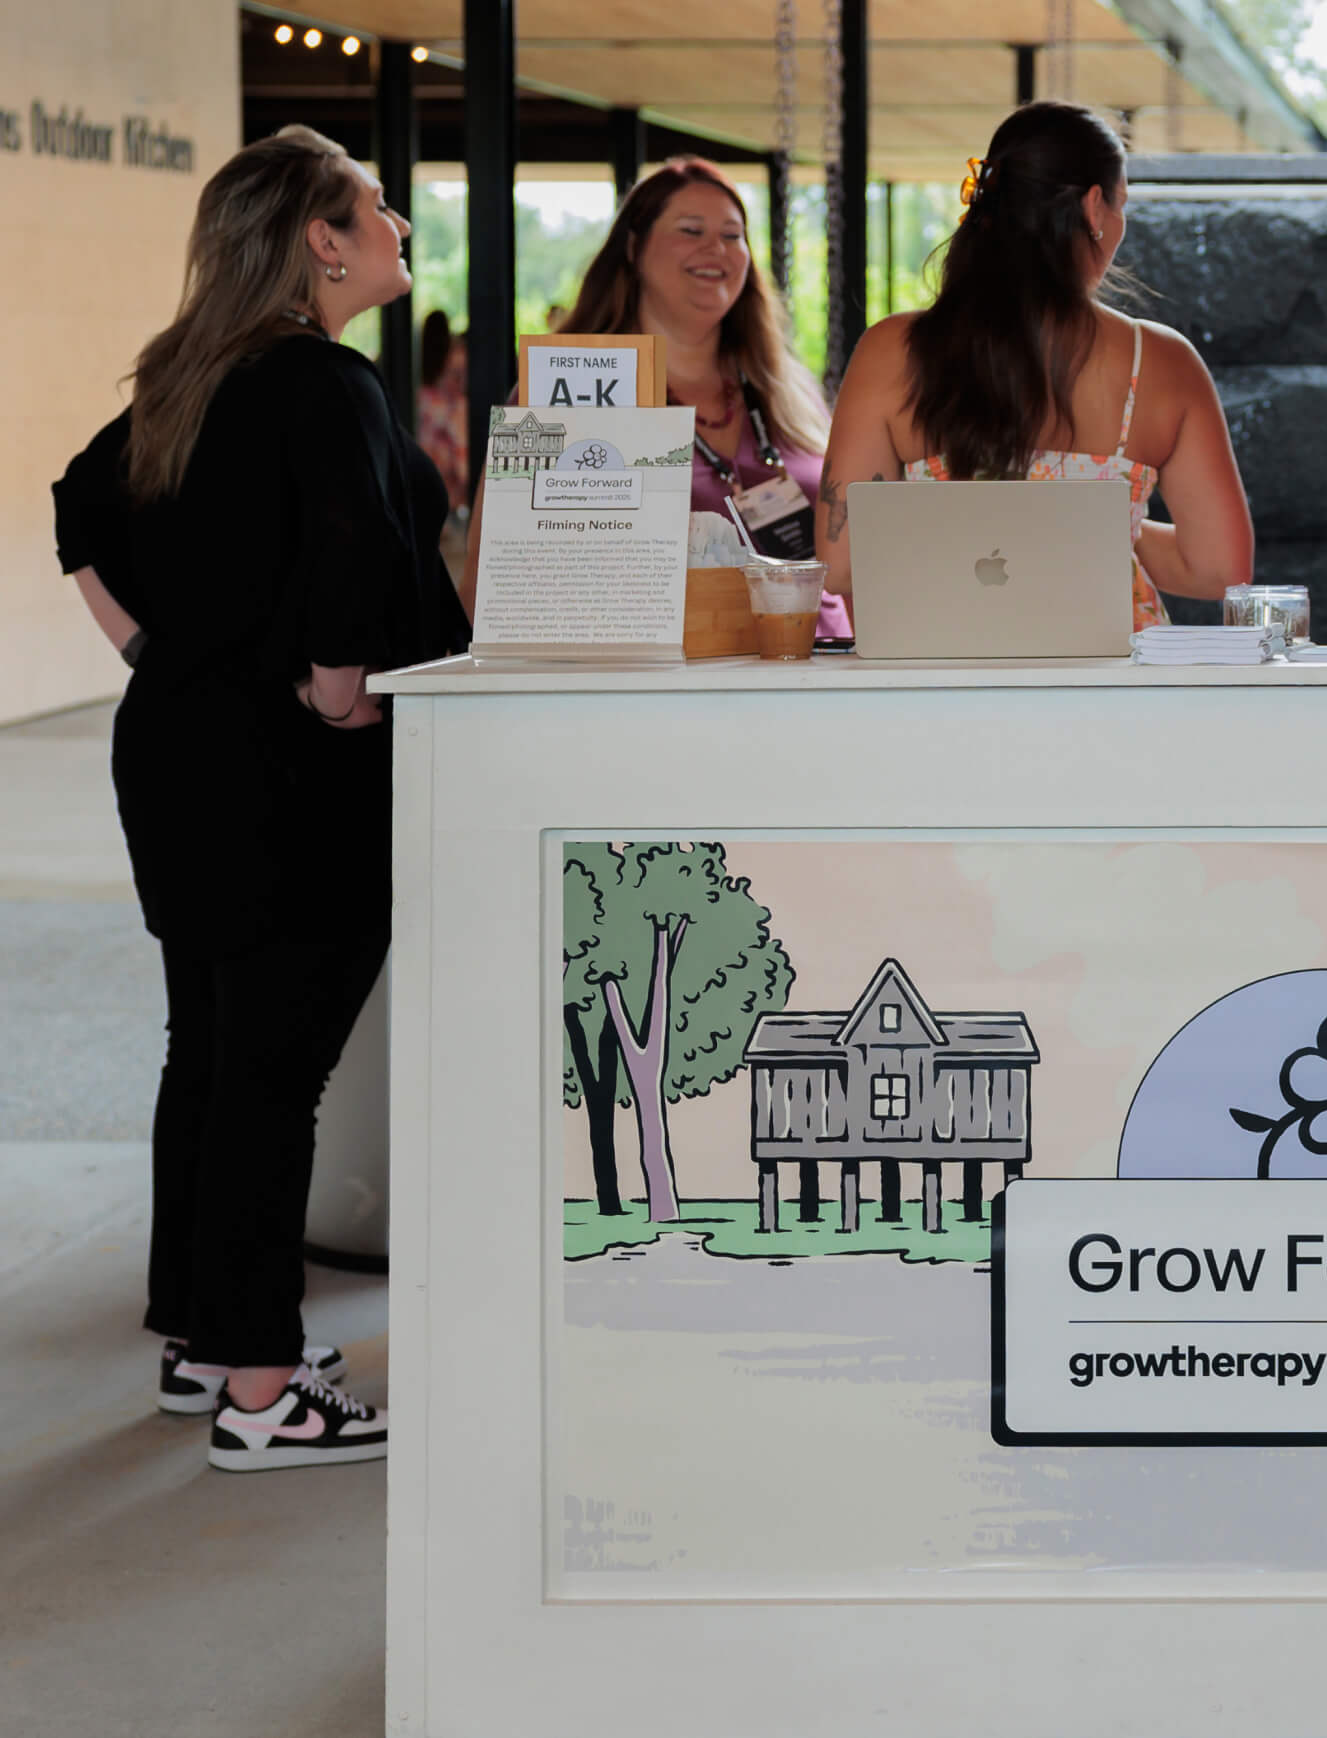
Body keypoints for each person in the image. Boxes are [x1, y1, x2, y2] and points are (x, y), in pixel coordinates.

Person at [49, 126, 466, 1471]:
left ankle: (214, 1342)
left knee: (223, 1058)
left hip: (177, 755)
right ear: (320, 240)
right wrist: (341, 680)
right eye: (375, 207)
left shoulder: (190, 377)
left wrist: (156, 655)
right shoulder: (323, 383)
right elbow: (349, 542)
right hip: (292, 773)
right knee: (271, 1077)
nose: (398, 223)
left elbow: (77, 512)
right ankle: (265, 1392)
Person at [819, 101, 1252, 623]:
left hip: (938, 676)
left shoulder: (892, 350)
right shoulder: (1161, 361)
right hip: (1109, 686)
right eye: (1121, 205)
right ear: (1094, 208)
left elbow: (840, 566)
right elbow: (1219, 569)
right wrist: (1095, 525)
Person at [532, 158, 844, 632]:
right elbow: (504, 569)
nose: (715, 248)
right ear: (634, 247)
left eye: (733, 235)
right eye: (691, 230)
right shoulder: (573, 390)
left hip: (822, 673)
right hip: (669, 688)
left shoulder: (791, 389)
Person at [415, 308, 468, 511]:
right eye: (456, 375)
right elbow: (465, 473)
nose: (461, 383)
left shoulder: (423, 401)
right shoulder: (449, 410)